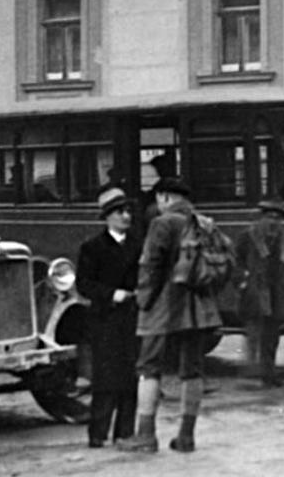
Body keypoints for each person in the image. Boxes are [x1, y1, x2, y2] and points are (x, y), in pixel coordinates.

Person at [118, 175, 221, 455]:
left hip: (163, 308)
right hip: (199, 310)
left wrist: (143, 300)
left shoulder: (162, 223)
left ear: (164, 197)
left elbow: (150, 267)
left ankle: (146, 435)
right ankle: (186, 436)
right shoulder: (205, 223)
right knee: (192, 371)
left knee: (149, 368)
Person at [75, 185, 142, 447]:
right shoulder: (92, 248)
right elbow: (84, 284)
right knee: (106, 379)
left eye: (128, 212)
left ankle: (125, 433)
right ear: (107, 217)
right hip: (105, 320)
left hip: (132, 317)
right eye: (120, 212)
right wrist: (111, 294)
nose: (126, 217)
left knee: (130, 377)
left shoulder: (137, 245)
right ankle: (98, 434)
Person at [233, 198, 284, 388]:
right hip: (255, 292)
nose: (273, 221)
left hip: (276, 292)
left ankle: (269, 374)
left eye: (277, 218)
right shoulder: (248, 236)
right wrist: (243, 281)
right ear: (262, 217)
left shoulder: (282, 238)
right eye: (269, 217)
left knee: (272, 336)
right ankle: (253, 374)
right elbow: (235, 261)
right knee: (255, 334)